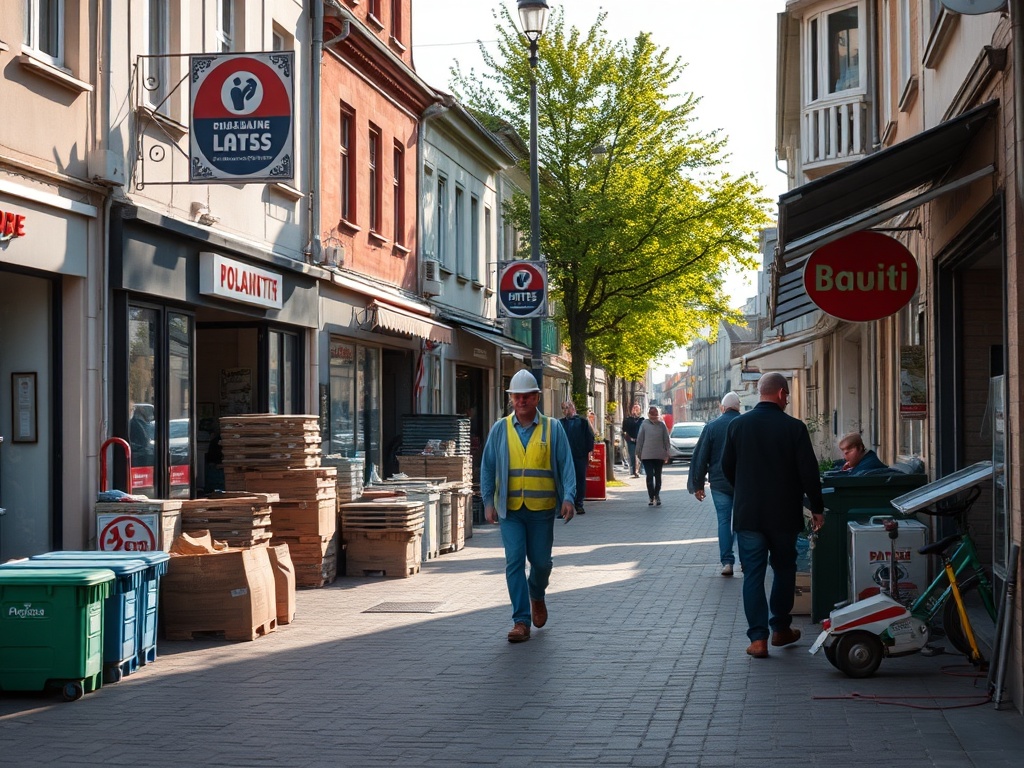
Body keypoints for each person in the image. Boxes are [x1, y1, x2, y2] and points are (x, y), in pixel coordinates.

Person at [721, 372, 825, 659]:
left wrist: (745, 490)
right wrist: (817, 507)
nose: (788, 399)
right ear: (780, 393)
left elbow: (726, 466)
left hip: (749, 514)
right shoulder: (794, 428)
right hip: (783, 513)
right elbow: (809, 472)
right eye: (788, 394)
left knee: (752, 574)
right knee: (783, 569)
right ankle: (780, 628)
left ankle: (758, 640)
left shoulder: (738, 426)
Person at [480, 369, 577, 644]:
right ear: (511, 399)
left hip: (542, 509)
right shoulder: (500, 429)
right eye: (516, 397)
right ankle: (520, 621)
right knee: (514, 562)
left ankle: (537, 593)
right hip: (509, 510)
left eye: (526, 396)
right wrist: (488, 501)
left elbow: (566, 465)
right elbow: (487, 467)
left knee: (542, 563)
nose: (521, 401)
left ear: (536, 398)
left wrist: (569, 497)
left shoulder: (552, 428)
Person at [687, 392, 741, 576]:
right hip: (743, 483)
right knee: (743, 521)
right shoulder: (746, 424)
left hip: (719, 482)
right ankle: (747, 562)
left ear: (722, 408)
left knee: (724, 521)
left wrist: (698, 484)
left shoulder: (712, 426)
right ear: (738, 407)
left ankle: (727, 562)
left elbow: (701, 457)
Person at [560, 400, 595, 515]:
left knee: (580, 478)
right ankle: (564, 504)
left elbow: (590, 437)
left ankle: (579, 503)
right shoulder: (560, 423)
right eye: (563, 408)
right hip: (565, 456)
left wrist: (588, 451)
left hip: (579, 455)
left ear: (572, 408)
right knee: (565, 479)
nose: (565, 411)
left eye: (567, 408)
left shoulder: (582, 421)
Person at [635, 405, 670, 506]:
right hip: (646, 455)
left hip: (659, 455)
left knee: (658, 476)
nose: (654, 416)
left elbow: (666, 439)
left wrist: (667, 452)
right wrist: (638, 452)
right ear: (648, 414)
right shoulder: (644, 424)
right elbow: (640, 439)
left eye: (655, 414)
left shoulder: (662, 425)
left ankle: (657, 495)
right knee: (649, 476)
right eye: (652, 414)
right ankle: (651, 496)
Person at [621, 403, 644, 477]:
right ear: (631, 410)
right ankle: (634, 471)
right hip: (631, 440)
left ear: (640, 410)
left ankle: (641, 470)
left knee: (641, 456)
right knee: (632, 456)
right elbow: (624, 429)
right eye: (634, 409)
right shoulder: (628, 420)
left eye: (637, 409)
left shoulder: (642, 420)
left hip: (640, 441)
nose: (635, 410)